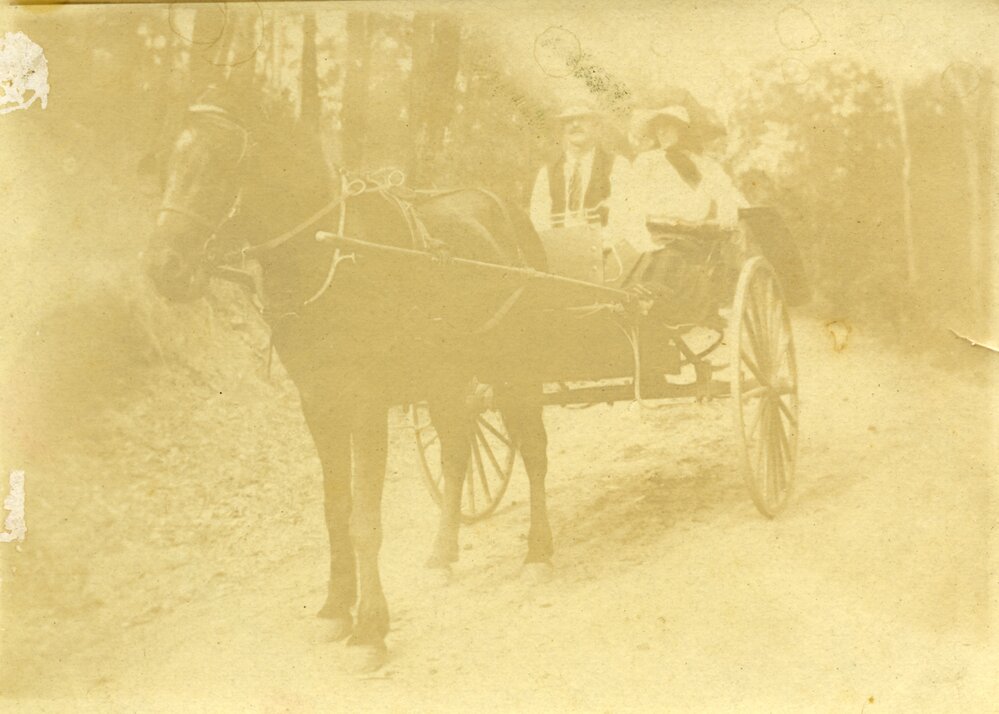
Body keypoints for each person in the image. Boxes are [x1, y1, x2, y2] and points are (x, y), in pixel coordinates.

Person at [529, 101, 634, 249]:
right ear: (563, 129)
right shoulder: (547, 173)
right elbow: (538, 221)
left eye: (582, 118)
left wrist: (591, 248)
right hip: (559, 252)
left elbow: (622, 220)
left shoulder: (617, 166)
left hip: (603, 251)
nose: (575, 124)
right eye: (568, 120)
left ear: (596, 126)